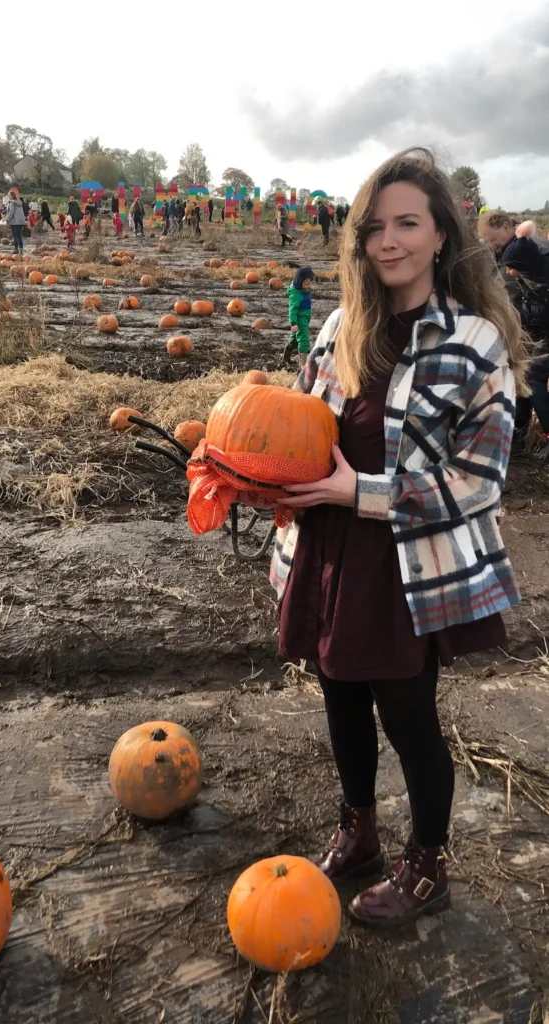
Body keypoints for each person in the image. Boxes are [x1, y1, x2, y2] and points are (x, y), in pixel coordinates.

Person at [268, 147, 526, 926]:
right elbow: (303, 421)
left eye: (407, 224)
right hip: (328, 547)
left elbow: (479, 484)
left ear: (441, 234)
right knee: (337, 695)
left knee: (408, 716)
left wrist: (362, 491)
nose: (389, 242)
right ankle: (361, 832)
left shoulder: (475, 345)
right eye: (374, 227)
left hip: (406, 560)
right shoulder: (344, 326)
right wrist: (255, 469)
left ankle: (428, 863)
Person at [478, 209, 549, 456]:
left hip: (531, 325)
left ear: (506, 226)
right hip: (526, 324)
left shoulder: (524, 252)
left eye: (493, 239)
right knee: (524, 377)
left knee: (531, 378)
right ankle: (519, 435)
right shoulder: (516, 249)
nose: (491, 244)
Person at [282, 266, 313, 366]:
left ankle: (286, 358)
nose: (308, 286)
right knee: (304, 340)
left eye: (309, 283)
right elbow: (292, 310)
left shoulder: (303, 291)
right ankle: (302, 363)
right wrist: (293, 323)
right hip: (300, 322)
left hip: (304, 319)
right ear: (300, 282)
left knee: (294, 340)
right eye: (306, 284)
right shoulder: (296, 295)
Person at [6, 188, 26, 253]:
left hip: (14, 221)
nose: (8, 196)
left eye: (9, 195)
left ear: (11, 196)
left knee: (15, 235)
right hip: (20, 221)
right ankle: (21, 249)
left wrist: (7, 218)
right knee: (19, 235)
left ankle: (16, 249)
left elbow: (11, 212)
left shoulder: (12, 202)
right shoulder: (18, 201)